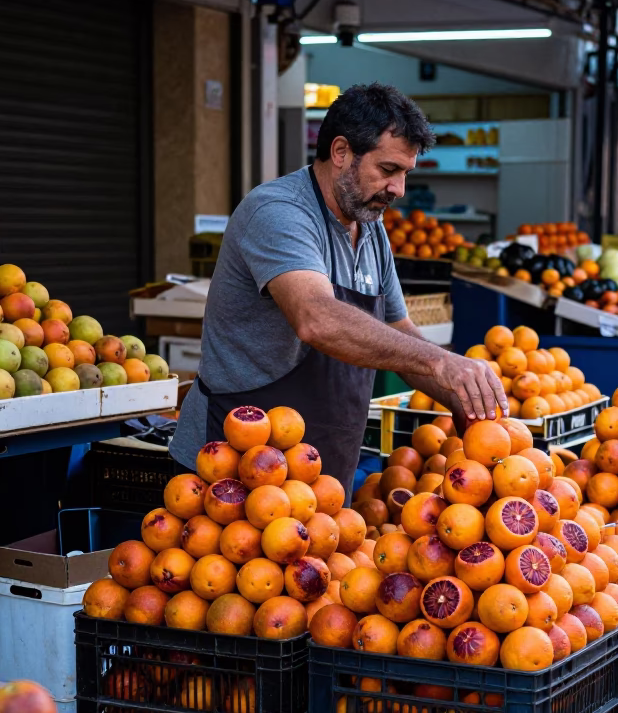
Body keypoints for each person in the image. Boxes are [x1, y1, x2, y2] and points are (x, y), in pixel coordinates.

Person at [170, 83, 506, 497]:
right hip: (235, 467)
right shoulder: (279, 213)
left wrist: (464, 398)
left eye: (405, 174)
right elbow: (316, 318)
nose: (398, 189)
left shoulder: (370, 226)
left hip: (320, 472)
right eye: (388, 170)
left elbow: (397, 330)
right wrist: (440, 362)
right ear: (341, 152)